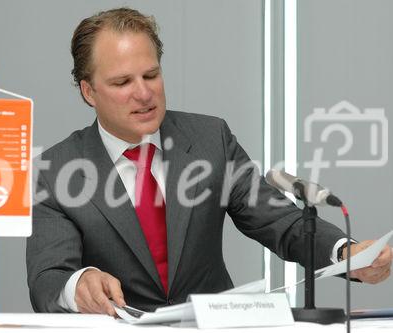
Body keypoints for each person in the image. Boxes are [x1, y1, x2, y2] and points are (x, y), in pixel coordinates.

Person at [26, 7, 392, 316]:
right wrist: (78, 284)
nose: (144, 93)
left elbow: (282, 222)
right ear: (88, 91)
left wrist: (347, 253)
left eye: (151, 75)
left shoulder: (209, 139)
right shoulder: (55, 171)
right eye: (122, 82)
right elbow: (48, 279)